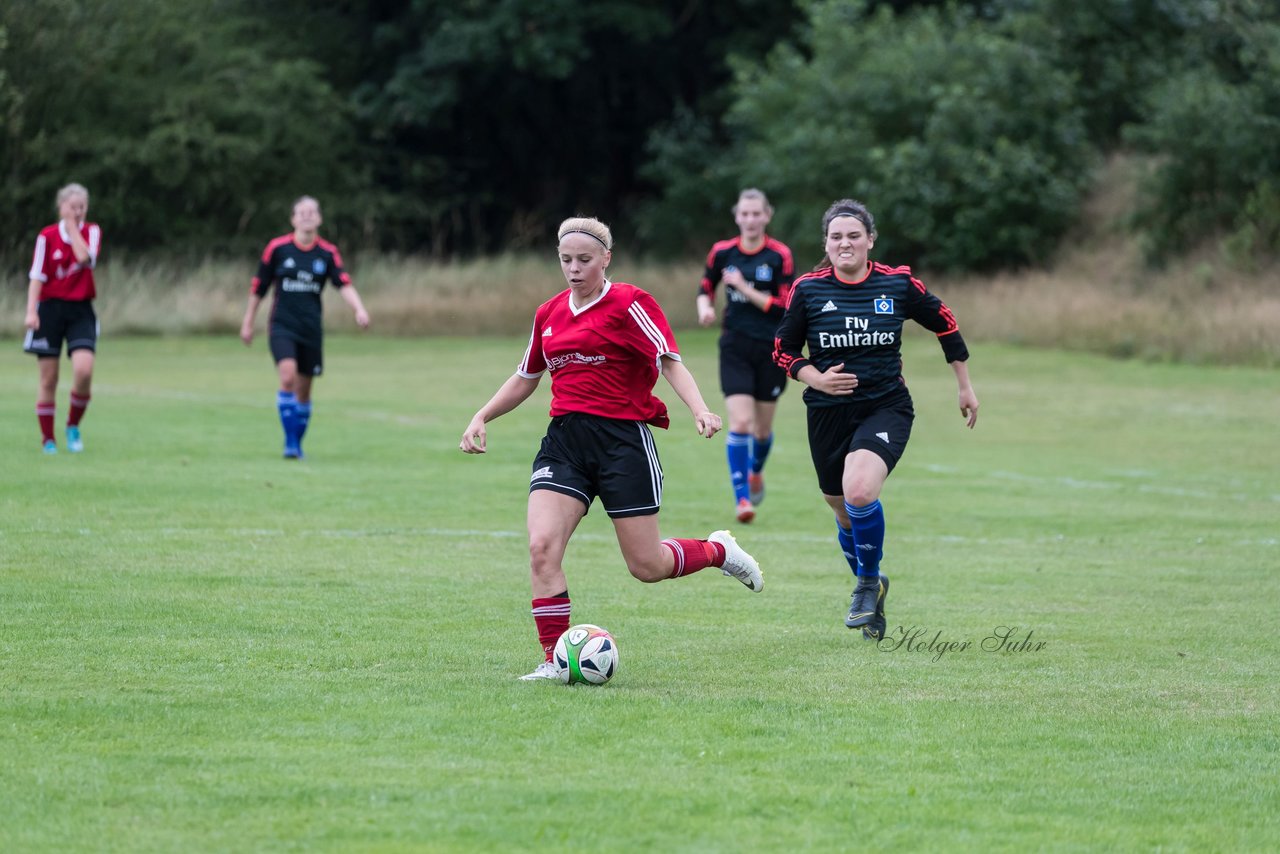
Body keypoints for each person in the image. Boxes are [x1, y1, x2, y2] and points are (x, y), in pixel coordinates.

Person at [460, 216, 764, 681]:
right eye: (566, 260)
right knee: (542, 547)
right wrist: (481, 415)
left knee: (647, 566)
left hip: (624, 443)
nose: (574, 269)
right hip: (565, 442)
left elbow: (669, 360)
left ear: (606, 258)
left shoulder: (630, 304)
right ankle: (552, 661)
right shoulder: (549, 313)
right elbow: (526, 376)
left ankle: (719, 551)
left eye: (584, 259)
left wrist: (700, 409)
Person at [772, 199, 979, 640]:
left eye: (853, 236)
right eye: (835, 237)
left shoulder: (897, 284)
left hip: (885, 405)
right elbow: (782, 350)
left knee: (859, 491)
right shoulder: (808, 289)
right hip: (827, 413)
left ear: (870, 240)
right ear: (826, 244)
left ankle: (865, 584)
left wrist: (964, 385)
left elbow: (945, 322)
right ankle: (874, 583)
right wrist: (815, 378)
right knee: (840, 506)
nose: (844, 243)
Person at [240, 196, 370, 459]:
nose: (307, 216)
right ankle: (291, 444)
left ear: (319, 219)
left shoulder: (327, 253)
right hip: (281, 326)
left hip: (311, 330)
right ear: (293, 219)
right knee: (287, 377)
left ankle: (297, 444)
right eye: (302, 212)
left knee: (304, 390)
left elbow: (343, 283)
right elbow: (259, 287)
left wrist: (359, 309)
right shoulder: (277, 249)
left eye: (312, 212)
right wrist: (248, 321)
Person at [696, 188, 795, 523]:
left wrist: (742, 287)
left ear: (767, 216)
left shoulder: (780, 255)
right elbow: (706, 286)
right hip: (734, 346)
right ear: (736, 216)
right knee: (740, 423)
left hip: (771, 349)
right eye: (745, 214)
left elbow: (782, 306)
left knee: (763, 432)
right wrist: (705, 308)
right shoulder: (722, 252)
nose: (751, 220)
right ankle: (742, 501)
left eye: (757, 214)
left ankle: (755, 471)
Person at [23, 183, 102, 454]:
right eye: (72, 207)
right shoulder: (46, 236)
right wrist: (31, 311)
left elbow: (84, 258)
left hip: (80, 310)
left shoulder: (91, 232)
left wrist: (73, 229)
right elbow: (37, 276)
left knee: (83, 371)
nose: (78, 212)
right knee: (49, 379)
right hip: (50, 310)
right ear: (61, 207)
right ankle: (48, 440)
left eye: (82, 207)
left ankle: (72, 425)